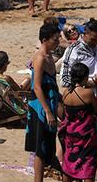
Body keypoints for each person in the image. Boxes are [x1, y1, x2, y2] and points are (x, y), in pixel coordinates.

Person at [27, 22, 62, 182]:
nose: (58, 42)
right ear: (45, 39)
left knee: (47, 147)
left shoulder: (50, 58)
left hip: (51, 104)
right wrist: (48, 110)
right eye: (55, 39)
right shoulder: (40, 58)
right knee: (40, 150)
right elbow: (37, 87)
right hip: (41, 108)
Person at [59, 62, 97, 181]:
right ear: (85, 77)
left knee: (69, 163)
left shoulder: (66, 93)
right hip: (86, 135)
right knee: (88, 165)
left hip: (70, 134)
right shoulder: (87, 93)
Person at [58, 19, 97, 88]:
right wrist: (89, 83)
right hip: (85, 93)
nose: (96, 42)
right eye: (93, 39)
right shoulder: (74, 50)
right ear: (84, 33)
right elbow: (64, 80)